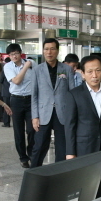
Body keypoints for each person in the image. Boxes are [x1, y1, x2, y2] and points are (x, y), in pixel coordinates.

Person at [64, 55, 101, 198]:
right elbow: (70, 125)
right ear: (82, 74)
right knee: (81, 182)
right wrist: (70, 152)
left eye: (98, 70)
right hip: (83, 146)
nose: (94, 75)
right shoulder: (74, 94)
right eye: (89, 71)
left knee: (99, 180)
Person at [30, 38, 74, 168]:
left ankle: (58, 174)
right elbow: (34, 95)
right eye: (46, 49)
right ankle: (34, 173)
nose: (49, 52)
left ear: (57, 51)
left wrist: (71, 115)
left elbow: (72, 93)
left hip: (63, 113)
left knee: (62, 147)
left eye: (52, 49)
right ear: (43, 51)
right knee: (39, 146)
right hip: (43, 113)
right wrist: (35, 117)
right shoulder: (37, 70)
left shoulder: (66, 69)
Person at [3, 43, 35, 168]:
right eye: (11, 54)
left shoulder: (32, 63)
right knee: (18, 131)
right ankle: (23, 157)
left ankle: (32, 153)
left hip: (31, 99)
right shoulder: (8, 67)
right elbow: (16, 81)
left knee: (32, 129)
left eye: (16, 53)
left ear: (20, 52)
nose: (14, 56)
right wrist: (26, 67)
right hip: (16, 100)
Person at [0, 57, 12, 127]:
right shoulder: (14, 69)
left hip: (6, 91)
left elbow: (0, 80)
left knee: (6, 107)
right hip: (14, 92)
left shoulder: (4, 70)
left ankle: (6, 123)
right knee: (13, 107)